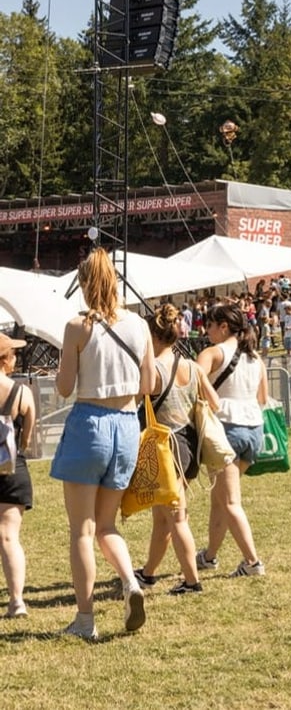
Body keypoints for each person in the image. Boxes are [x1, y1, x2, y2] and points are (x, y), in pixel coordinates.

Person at [50, 248, 157, 639]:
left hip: (90, 423)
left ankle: (85, 620)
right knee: (107, 524)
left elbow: (64, 388)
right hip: (127, 424)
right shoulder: (139, 325)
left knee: (81, 528)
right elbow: (150, 385)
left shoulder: (77, 326)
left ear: (84, 284)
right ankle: (130, 582)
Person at [135, 304, 223, 596]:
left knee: (176, 517)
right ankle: (148, 573)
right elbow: (214, 402)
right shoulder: (192, 366)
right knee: (163, 518)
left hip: (165, 449)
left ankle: (191, 581)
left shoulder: (154, 370)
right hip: (189, 445)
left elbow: (137, 398)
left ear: (154, 336)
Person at [195, 303, 268, 579]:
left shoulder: (212, 353)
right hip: (254, 429)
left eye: (210, 325)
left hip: (225, 428)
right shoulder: (255, 358)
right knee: (221, 499)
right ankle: (210, 556)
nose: (207, 330)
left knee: (230, 502)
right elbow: (263, 398)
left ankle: (252, 561)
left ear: (223, 326)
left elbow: (193, 383)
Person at [0, 334, 36, 619]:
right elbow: (27, 439)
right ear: (5, 359)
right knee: (10, 537)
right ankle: (16, 601)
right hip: (12, 470)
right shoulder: (22, 392)